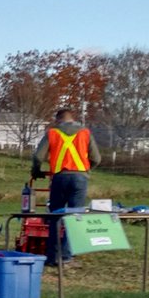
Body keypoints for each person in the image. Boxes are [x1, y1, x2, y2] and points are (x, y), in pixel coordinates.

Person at [32, 107, 101, 268]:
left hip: (59, 178)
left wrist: (36, 171)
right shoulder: (85, 133)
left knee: (55, 216)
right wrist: (85, 170)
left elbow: (38, 156)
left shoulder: (52, 133)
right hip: (80, 179)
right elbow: (97, 158)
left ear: (58, 119)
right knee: (75, 216)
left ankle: (52, 257)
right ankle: (66, 257)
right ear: (72, 118)